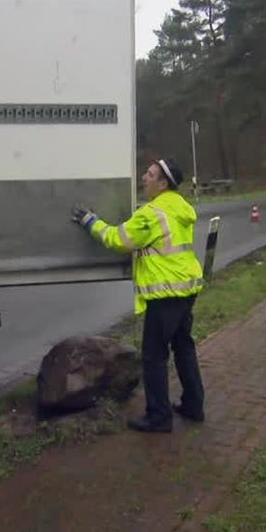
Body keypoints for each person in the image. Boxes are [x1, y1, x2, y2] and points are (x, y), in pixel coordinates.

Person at [71, 158, 205, 433]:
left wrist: (90, 221)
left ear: (163, 183)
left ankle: (159, 417)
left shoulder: (152, 214)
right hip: (186, 290)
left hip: (164, 294)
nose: (143, 177)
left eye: (150, 174)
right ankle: (194, 405)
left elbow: (117, 239)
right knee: (184, 349)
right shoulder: (180, 207)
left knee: (154, 357)